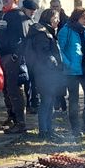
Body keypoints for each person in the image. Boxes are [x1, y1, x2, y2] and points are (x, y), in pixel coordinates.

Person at [59, 8, 85, 140]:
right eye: (84, 18)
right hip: (72, 71)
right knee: (74, 100)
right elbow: (60, 50)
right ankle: (75, 128)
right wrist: (69, 64)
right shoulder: (66, 30)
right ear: (76, 17)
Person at [0, 0, 31, 134]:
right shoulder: (0, 14)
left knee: (14, 89)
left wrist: (16, 55)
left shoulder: (19, 15)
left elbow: (26, 38)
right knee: (5, 89)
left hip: (13, 58)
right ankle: (11, 117)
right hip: (0, 56)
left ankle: (20, 123)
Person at [26, 8, 64, 142]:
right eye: (56, 18)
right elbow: (43, 53)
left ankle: (49, 129)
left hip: (49, 72)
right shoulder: (41, 32)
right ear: (49, 18)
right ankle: (44, 131)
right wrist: (54, 63)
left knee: (50, 101)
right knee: (46, 102)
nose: (58, 21)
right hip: (44, 73)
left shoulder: (48, 31)